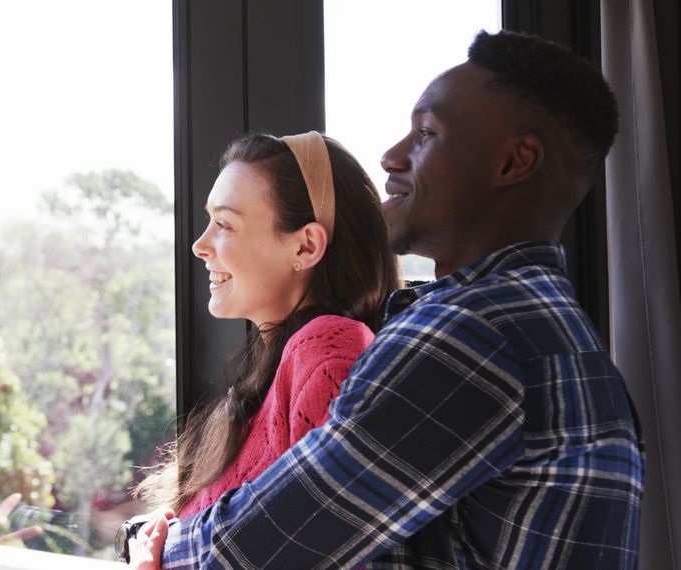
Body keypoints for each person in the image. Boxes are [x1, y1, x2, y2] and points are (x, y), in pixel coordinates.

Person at [129, 29, 644, 569]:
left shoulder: (475, 334)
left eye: (426, 134)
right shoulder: (539, 328)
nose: (391, 156)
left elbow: (278, 538)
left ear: (514, 162)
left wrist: (155, 546)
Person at [120, 130, 400, 561]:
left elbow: (319, 548)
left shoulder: (329, 351)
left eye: (225, 225)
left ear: (306, 245)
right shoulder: (278, 366)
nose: (200, 245)